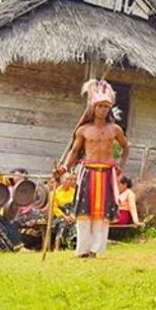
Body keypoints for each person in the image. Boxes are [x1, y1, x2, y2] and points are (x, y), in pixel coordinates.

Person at [61, 79, 130, 258]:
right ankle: (82, 250)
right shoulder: (83, 130)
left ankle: (97, 250)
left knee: (102, 214)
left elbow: (126, 147)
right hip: (88, 173)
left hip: (107, 173)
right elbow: (75, 151)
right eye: (100, 106)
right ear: (93, 107)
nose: (103, 110)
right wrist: (64, 168)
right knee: (84, 212)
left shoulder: (115, 129)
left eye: (106, 106)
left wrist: (120, 166)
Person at [50, 173, 77, 249]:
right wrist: (64, 216)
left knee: (76, 224)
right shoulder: (55, 192)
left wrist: (73, 215)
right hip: (60, 216)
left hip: (72, 214)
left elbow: (76, 205)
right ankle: (57, 247)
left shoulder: (74, 192)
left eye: (71, 179)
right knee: (63, 224)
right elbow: (54, 208)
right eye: (67, 179)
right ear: (62, 180)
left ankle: (73, 245)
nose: (69, 181)